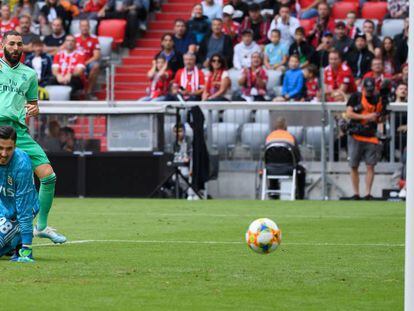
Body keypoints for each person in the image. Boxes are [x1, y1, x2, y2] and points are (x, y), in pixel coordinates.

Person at [0, 31, 66, 243]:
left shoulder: (29, 74)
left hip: (18, 132)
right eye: (11, 43)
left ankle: (42, 226)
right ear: (3, 44)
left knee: (48, 176)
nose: (16, 47)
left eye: (19, 44)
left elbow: (33, 105)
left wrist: (34, 110)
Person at [0, 126, 40, 262]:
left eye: (9, 149)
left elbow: (24, 208)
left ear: (15, 146)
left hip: (21, 210)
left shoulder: (22, 164)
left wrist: (27, 249)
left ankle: (19, 239)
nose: (4, 154)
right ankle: (12, 243)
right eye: (0, 148)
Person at [345, 77, 385, 200]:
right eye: (367, 90)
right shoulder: (356, 97)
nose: (369, 92)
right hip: (356, 134)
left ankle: (368, 193)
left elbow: (381, 118)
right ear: (363, 88)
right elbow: (349, 113)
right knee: (353, 165)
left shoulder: (379, 99)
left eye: (371, 90)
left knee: (370, 165)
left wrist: (381, 131)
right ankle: (356, 193)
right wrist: (367, 116)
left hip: (371, 135)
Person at [265, 117, 306, 199]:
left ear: (275, 126)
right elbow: (297, 157)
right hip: (288, 168)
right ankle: (300, 196)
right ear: (286, 126)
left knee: (272, 164)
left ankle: (273, 193)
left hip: (270, 169)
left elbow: (265, 156)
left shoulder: (269, 137)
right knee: (301, 171)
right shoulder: (290, 137)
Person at [50, 34, 86, 98]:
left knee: (73, 81)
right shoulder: (58, 54)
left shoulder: (80, 54)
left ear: (75, 43)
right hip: (60, 78)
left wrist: (70, 74)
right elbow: (54, 69)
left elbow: (79, 71)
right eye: (68, 41)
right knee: (51, 80)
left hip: (73, 79)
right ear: (65, 43)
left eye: (72, 41)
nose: (70, 42)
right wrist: (58, 75)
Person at [75, 19, 101, 98]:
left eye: (86, 26)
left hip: (88, 62)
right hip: (76, 62)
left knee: (96, 66)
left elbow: (96, 56)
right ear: (79, 27)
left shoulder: (94, 38)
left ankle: (89, 92)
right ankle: (75, 91)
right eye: (83, 26)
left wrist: (85, 63)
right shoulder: (74, 38)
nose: (84, 28)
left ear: (89, 27)